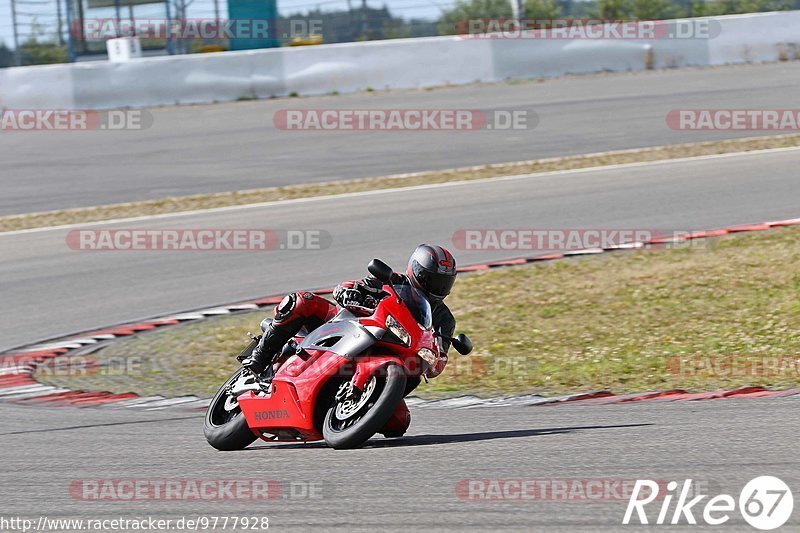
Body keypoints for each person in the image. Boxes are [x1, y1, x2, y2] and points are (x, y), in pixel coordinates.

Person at [241, 244, 458, 379]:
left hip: (391, 357)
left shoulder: (444, 319)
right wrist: (349, 293)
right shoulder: (391, 280)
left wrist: (435, 360)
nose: (436, 287)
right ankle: (261, 356)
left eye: (442, 283)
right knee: (301, 301)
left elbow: (438, 360)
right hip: (346, 325)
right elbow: (347, 286)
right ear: (416, 270)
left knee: (398, 424)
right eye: (431, 279)